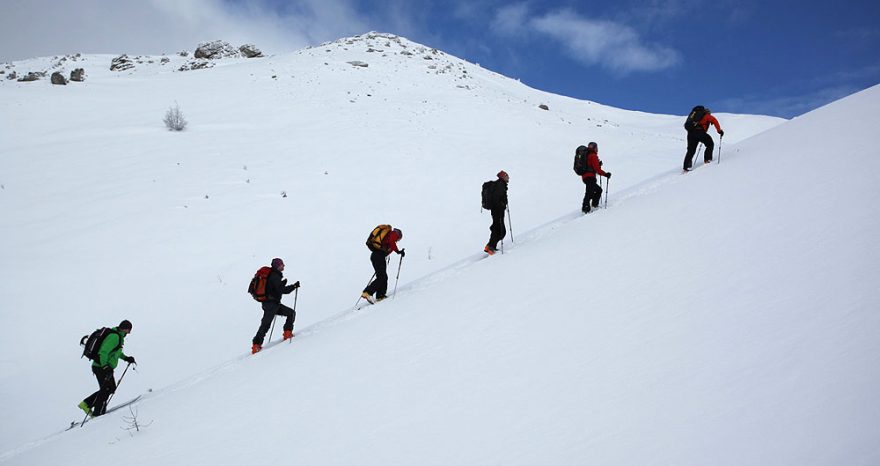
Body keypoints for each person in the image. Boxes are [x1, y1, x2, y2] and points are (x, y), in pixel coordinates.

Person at [78, 320, 136, 417]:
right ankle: (95, 411)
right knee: (106, 388)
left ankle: (90, 405)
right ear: (125, 329)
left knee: (110, 388)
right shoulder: (115, 337)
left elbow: (115, 352)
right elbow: (104, 352)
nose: (129, 333)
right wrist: (105, 366)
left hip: (104, 367)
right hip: (100, 366)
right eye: (129, 330)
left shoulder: (118, 336)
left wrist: (126, 358)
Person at [252, 258, 300, 354]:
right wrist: (293, 286)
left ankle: (287, 333)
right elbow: (282, 290)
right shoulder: (275, 276)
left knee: (291, 313)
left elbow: (274, 288)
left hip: (271, 304)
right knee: (265, 325)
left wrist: (282, 284)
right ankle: (256, 345)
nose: (283, 266)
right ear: (277, 266)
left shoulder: (273, 275)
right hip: (271, 305)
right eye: (282, 265)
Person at [362, 228, 405, 303]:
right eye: (399, 239)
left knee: (383, 277)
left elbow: (389, 247)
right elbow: (392, 242)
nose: (397, 240)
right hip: (378, 256)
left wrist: (398, 251)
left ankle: (380, 295)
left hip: (377, 256)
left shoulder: (386, 238)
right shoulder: (393, 234)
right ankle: (368, 292)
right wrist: (398, 251)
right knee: (382, 277)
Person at [683, 106, 724, 171]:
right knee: (710, 144)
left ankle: (686, 167)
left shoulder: (695, 117)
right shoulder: (707, 115)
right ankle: (707, 160)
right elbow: (714, 120)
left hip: (690, 133)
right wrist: (719, 131)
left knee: (691, 150)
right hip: (699, 132)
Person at [580, 142, 611, 213]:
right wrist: (606, 174)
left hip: (585, 177)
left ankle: (592, 205)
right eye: (596, 148)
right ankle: (586, 208)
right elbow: (597, 170)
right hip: (590, 177)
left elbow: (591, 166)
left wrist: (598, 164)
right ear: (594, 148)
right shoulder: (593, 156)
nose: (597, 149)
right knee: (590, 192)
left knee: (597, 190)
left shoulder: (587, 155)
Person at [484, 170, 509, 255]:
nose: (508, 178)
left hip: (496, 210)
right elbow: (496, 199)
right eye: (506, 176)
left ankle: (490, 246)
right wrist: (502, 205)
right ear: (502, 177)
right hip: (498, 211)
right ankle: (490, 247)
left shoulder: (500, 185)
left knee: (496, 228)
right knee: (500, 230)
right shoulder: (500, 185)